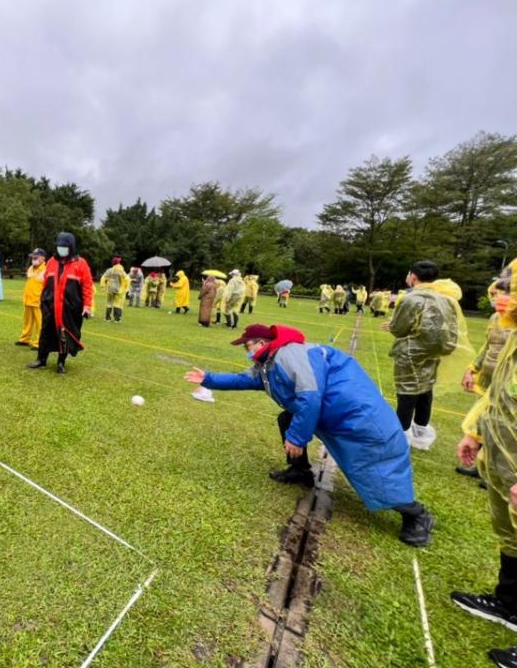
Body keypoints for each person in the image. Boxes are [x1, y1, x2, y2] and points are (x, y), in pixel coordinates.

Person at [186, 323, 435, 547]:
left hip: (356, 417)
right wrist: (208, 379)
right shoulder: (267, 365)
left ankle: (416, 514)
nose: (247, 351)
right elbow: (242, 379)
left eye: (248, 346)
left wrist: (297, 437)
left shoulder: (288, 353)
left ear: (262, 343)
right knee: (287, 418)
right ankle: (299, 469)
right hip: (334, 413)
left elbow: (310, 395)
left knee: (372, 466)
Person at [453, 261, 517, 667]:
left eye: (510, 285)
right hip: (504, 446)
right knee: (509, 528)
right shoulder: (510, 332)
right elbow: (500, 392)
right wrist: (475, 432)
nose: (502, 291)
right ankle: (509, 602)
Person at [386, 261, 469, 450]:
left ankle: (401, 437)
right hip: (433, 353)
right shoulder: (445, 299)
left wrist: (392, 325)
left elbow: (399, 329)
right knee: (425, 391)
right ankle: (420, 434)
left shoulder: (410, 299)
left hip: (411, 353)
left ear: (413, 277)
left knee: (407, 394)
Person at [457, 280, 513, 484]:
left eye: (502, 294)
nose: (497, 298)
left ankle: (494, 473)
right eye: (496, 294)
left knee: (504, 425)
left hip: (508, 382)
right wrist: (473, 369)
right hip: (490, 379)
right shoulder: (494, 318)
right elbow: (488, 347)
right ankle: (482, 466)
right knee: (486, 421)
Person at [27, 232, 94, 374]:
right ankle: (41, 359)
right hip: (50, 305)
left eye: (64, 247)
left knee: (65, 334)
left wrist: (87, 306)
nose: (61, 249)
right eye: (59, 246)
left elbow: (87, 286)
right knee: (45, 332)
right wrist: (43, 300)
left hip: (69, 307)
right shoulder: (51, 262)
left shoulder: (81, 264)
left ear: (71, 247)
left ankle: (61, 362)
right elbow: (46, 281)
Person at [16, 249, 46, 349]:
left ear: (42, 258)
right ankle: (25, 339)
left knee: (40, 323)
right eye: (33, 257)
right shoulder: (31, 268)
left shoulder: (46, 270)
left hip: (38, 301)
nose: (33, 259)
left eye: (36, 257)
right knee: (27, 322)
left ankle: (39, 342)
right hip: (28, 299)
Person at [100, 257, 128, 322]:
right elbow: (126, 279)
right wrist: (126, 288)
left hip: (110, 288)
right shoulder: (121, 270)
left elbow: (103, 278)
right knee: (118, 303)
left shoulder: (110, 270)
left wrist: (102, 286)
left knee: (109, 303)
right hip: (119, 289)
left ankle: (107, 318)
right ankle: (117, 319)